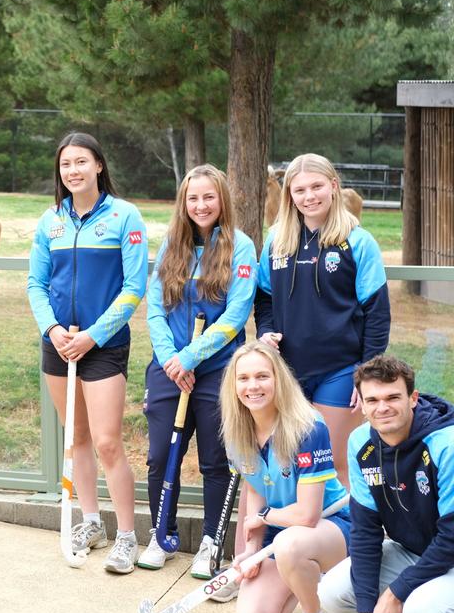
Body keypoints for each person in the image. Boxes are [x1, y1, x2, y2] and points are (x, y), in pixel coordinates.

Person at [27, 132, 148, 573]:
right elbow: (36, 285)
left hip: (103, 345)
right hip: (59, 344)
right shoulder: (51, 221)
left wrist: (93, 336)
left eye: (81, 162)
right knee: (76, 438)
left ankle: (128, 537)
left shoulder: (125, 216)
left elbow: (134, 289)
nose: (73, 171)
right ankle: (91, 523)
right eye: (65, 164)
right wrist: (53, 330)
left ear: (99, 165)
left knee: (107, 441)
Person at [140, 164, 257, 577]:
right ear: (183, 202)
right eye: (193, 198)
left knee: (214, 459)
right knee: (159, 456)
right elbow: (155, 307)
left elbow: (237, 314)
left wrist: (191, 357)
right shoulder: (172, 243)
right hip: (169, 367)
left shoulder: (240, 247)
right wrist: (172, 359)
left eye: (209, 197)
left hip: (217, 369)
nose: (201, 205)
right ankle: (161, 534)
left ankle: (211, 540)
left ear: (221, 199)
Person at [319, 355, 454, 613]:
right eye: (373, 400)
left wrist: (395, 594)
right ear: (360, 405)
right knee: (334, 591)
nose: (383, 408)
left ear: (413, 397)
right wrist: (366, 612)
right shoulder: (361, 442)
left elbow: (452, 537)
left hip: (450, 552)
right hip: (418, 552)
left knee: (422, 609)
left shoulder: (446, 444)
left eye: (393, 397)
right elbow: (365, 532)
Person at [256, 153, 390, 486]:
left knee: (334, 464)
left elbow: (377, 314)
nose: (309, 196)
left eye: (317, 186)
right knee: (286, 466)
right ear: (290, 195)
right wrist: (266, 331)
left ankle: (345, 538)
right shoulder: (276, 241)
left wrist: (366, 374)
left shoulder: (358, 242)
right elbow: (265, 299)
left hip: (341, 371)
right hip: (287, 372)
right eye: (299, 190)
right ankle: (291, 535)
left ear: (333, 186)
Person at [219, 341, 351, 613]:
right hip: (283, 531)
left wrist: (263, 517)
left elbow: (307, 515)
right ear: (233, 385)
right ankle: (308, 579)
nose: (253, 386)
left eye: (262, 376)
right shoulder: (237, 430)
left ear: (279, 379)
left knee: (292, 544)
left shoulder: (309, 427)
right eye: (244, 378)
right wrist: (251, 550)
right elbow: (255, 487)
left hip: (332, 527)